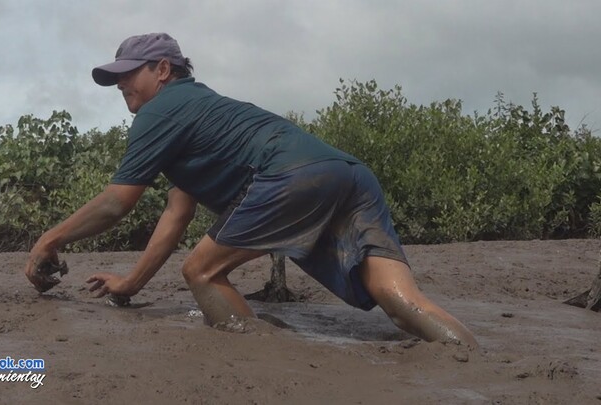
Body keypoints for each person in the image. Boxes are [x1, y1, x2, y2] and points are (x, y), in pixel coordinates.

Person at [24, 32, 478, 347]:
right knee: (401, 305)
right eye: (116, 77)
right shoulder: (201, 110)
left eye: (129, 74)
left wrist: (50, 239)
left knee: (201, 272)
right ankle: (470, 357)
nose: (121, 84)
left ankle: (261, 351)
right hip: (349, 173)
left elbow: (116, 202)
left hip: (290, 175)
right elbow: (176, 215)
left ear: (163, 70)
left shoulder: (159, 112)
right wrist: (129, 284)